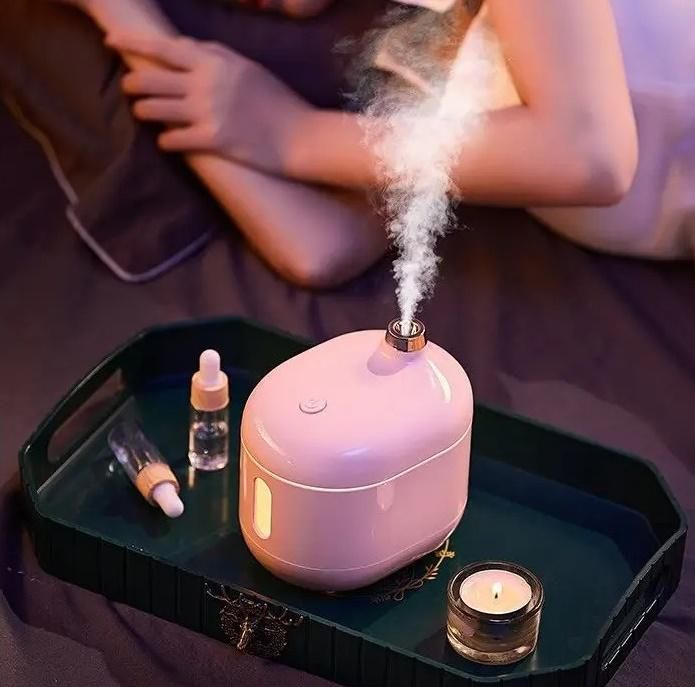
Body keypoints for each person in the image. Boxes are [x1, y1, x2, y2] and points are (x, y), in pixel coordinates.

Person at [58, 0, 695, 286]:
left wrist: (292, 134)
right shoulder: (424, 48)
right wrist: (125, 17)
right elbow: (321, 245)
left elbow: (588, 154)